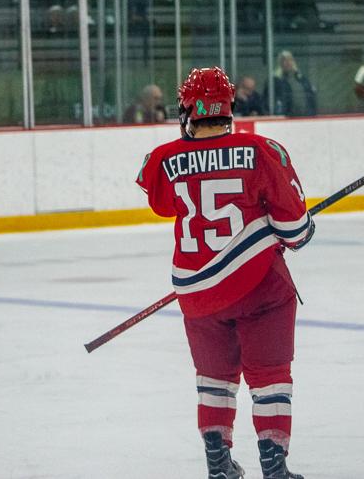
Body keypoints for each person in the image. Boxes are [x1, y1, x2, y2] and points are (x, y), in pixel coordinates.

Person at [136, 66, 313, 479]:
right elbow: (294, 229)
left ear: (188, 111)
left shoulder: (163, 159)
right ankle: (274, 464)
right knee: (269, 376)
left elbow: (161, 203)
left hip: (197, 294)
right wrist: (297, 229)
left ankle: (219, 462)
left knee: (214, 377)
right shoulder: (264, 150)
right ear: (228, 108)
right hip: (261, 289)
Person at [264, 51, 317, 117]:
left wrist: (312, 113)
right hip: (287, 118)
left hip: (305, 117)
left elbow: (310, 95)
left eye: (290, 60)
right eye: (285, 60)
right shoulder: (275, 81)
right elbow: (267, 100)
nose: (288, 62)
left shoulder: (301, 79)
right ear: (280, 63)